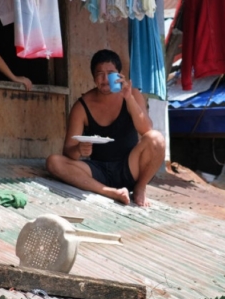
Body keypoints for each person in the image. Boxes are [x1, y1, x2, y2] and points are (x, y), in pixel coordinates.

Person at [45, 49, 165, 207]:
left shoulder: (132, 94)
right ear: (93, 77)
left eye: (110, 73)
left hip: (129, 166)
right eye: (99, 73)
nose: (105, 78)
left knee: (157, 139)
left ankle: (140, 187)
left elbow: (146, 129)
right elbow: (68, 151)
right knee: (54, 162)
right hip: (98, 170)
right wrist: (79, 149)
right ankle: (109, 191)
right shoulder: (82, 106)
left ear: (119, 75)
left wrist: (128, 98)